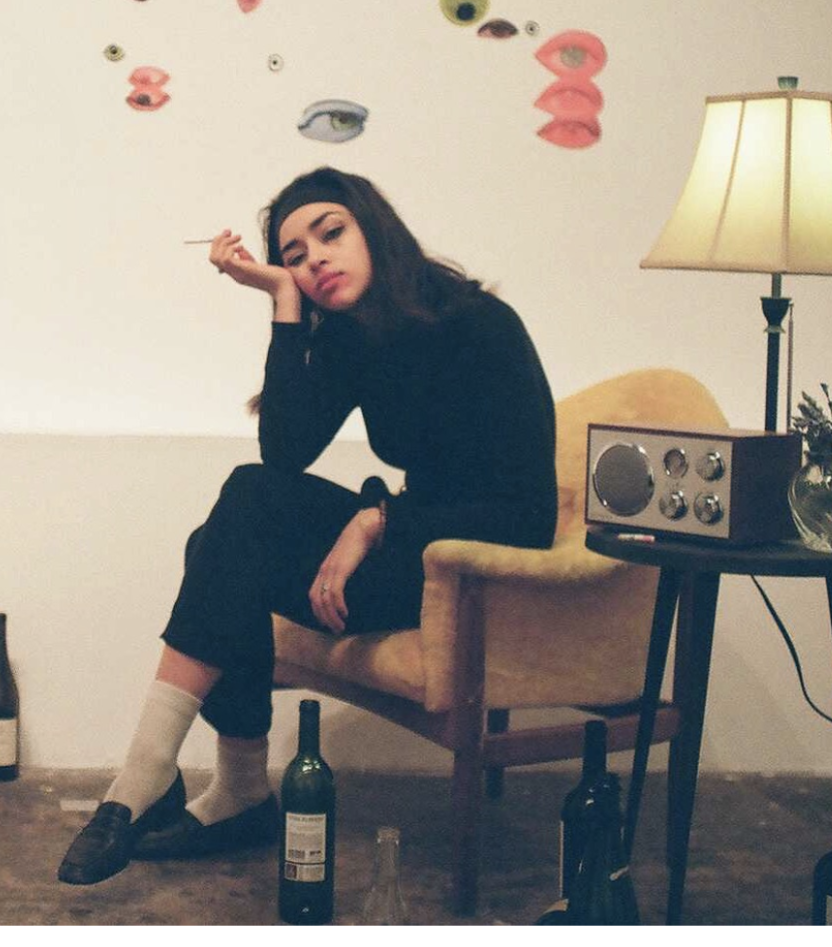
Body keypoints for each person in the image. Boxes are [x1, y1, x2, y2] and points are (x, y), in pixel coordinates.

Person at [57, 165, 557, 885]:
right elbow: (285, 452)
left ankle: (154, 778)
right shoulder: (356, 336)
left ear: (373, 228)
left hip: (468, 576)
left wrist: (376, 522)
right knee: (227, 533)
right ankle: (231, 788)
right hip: (411, 551)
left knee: (242, 516)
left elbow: (526, 516)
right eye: (295, 255)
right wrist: (283, 302)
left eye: (331, 233)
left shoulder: (479, 325)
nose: (316, 259)